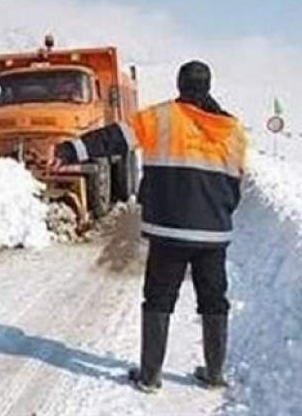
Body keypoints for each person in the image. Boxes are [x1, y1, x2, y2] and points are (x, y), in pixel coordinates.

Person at [51, 60, 247, 393]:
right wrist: (219, 212)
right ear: (208, 86)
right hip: (214, 233)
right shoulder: (233, 130)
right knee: (214, 301)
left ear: (180, 85)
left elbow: (113, 138)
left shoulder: (161, 117)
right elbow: (235, 183)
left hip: (170, 231)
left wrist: (71, 149)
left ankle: (150, 377)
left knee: (158, 299)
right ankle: (214, 375)